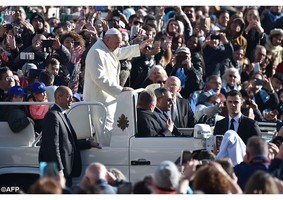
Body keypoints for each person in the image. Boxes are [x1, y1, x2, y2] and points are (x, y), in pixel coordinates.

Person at [83, 27, 153, 144]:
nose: (118, 46)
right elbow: (99, 78)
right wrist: (120, 90)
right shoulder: (97, 52)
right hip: (99, 102)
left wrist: (138, 47)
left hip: (108, 101)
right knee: (103, 134)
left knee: (109, 132)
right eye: (116, 43)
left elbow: (119, 52)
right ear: (108, 39)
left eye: (119, 43)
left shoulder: (107, 47)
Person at [38, 86, 101, 187]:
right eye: (68, 97)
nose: (71, 100)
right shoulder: (52, 116)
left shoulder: (61, 114)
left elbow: (68, 142)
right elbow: (53, 146)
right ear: (58, 97)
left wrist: (89, 144)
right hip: (58, 172)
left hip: (66, 170)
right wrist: (59, 170)